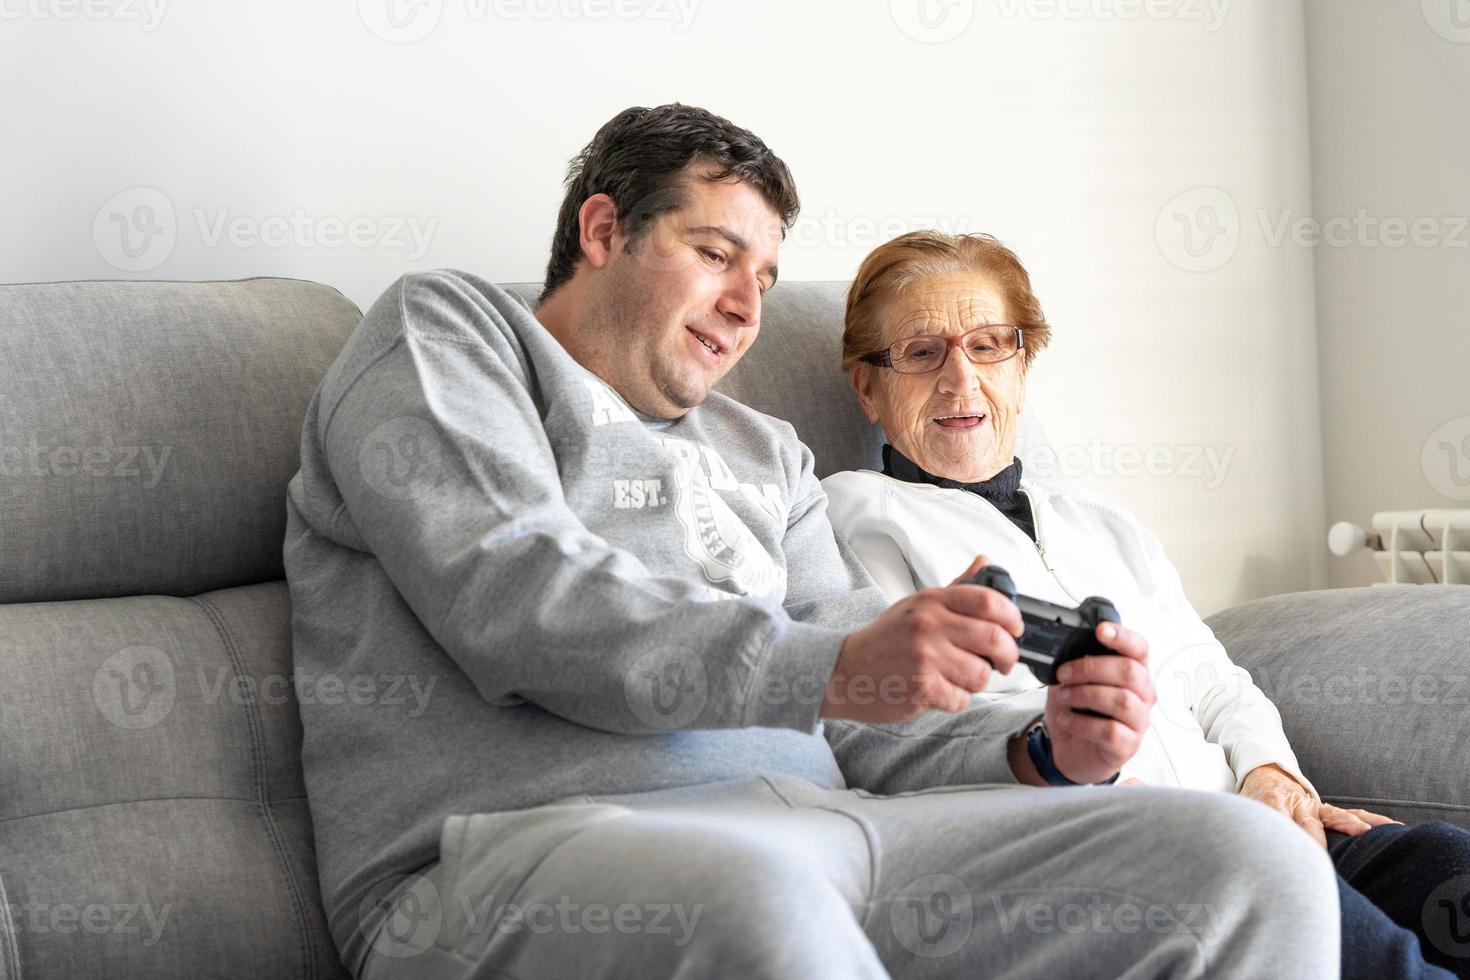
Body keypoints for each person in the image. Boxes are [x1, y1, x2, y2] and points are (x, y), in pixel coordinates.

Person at [284, 104, 1342, 979]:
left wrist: (1037, 750)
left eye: (768, 279)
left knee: (1244, 859)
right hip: (507, 856)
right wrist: (836, 662)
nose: (748, 307)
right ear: (603, 230)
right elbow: (515, 598)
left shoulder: (770, 453)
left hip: (827, 831)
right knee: (759, 890)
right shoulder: (447, 334)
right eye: (716, 255)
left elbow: (872, 725)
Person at [822, 229, 1470, 980]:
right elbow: (911, 730)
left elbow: (1212, 676)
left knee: (1444, 863)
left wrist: (1272, 775)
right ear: (868, 388)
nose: (960, 378)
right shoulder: (858, 517)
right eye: (920, 352)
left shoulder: (1102, 519)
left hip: (1250, 820)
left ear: (1023, 366)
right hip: (1138, 859)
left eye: (989, 344)